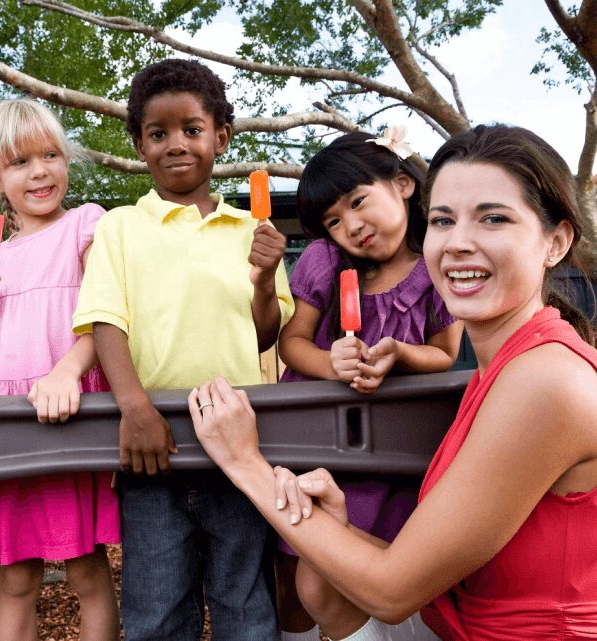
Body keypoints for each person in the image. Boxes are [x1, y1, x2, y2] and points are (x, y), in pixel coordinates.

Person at [189, 124, 597, 641]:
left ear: (555, 242)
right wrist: (335, 525)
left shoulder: (548, 383)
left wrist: (244, 463)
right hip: (454, 621)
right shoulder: (509, 368)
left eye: (493, 218)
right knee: (315, 584)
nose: (458, 244)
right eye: (444, 220)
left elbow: (392, 591)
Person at [72, 58, 295, 641]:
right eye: (158, 132)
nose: (177, 144)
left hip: (240, 445)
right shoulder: (120, 227)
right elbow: (104, 321)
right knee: (156, 612)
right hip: (153, 449)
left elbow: (266, 334)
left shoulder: (253, 231)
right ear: (140, 145)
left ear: (220, 137)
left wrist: (267, 278)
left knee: (245, 607)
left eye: (192, 130)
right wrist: (135, 408)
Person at [276, 130, 462, 641]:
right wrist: (329, 361)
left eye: (358, 202)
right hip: (317, 446)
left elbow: (445, 354)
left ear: (403, 184)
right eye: (334, 220)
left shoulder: (436, 268)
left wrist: (401, 355)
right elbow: (291, 342)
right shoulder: (325, 262)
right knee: (297, 577)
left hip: (392, 454)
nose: (351, 227)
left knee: (372, 570)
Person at [0, 99, 119, 641]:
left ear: (67, 162)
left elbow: (105, 317)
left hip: (67, 413)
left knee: (85, 569)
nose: (39, 172)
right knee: (15, 576)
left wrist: (67, 372)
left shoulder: (85, 224)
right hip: (7, 423)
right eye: (19, 162)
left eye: (50, 155)